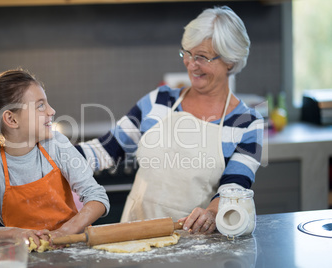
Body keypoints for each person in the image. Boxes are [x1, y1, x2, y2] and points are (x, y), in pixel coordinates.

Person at [75, 6, 263, 234]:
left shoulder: (247, 122)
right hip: (135, 232)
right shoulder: (158, 101)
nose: (191, 65)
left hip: (195, 240)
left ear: (230, 61)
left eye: (202, 57)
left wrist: (212, 213)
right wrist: (53, 154)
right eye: (187, 53)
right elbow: (106, 149)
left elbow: (234, 187)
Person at [0, 69, 109, 247]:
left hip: (75, 249)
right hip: (25, 258)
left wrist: (64, 232)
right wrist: (15, 234)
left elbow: (97, 197)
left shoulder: (56, 144)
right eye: (40, 105)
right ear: (11, 119)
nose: (51, 111)